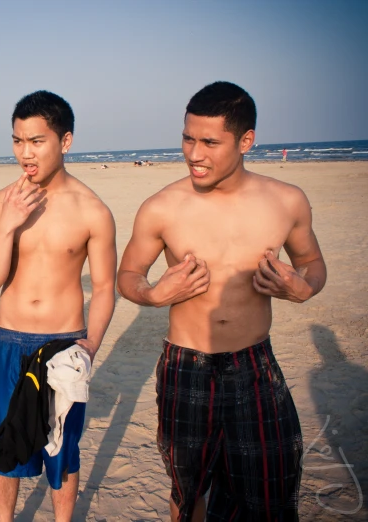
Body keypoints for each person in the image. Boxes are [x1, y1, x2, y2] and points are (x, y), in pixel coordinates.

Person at [117, 81, 326, 521]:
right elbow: (128, 276)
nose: (194, 154)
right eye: (188, 138)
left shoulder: (286, 201)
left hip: (255, 365)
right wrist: (153, 295)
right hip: (186, 367)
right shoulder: (162, 207)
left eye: (209, 142)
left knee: (271, 489)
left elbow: (311, 263)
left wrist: (302, 288)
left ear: (246, 140)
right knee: (188, 490)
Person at [0, 90, 116, 521]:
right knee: (6, 445)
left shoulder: (93, 210)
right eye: (18, 141)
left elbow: (107, 287)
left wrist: (90, 347)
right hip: (9, 341)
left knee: (63, 451)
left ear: (65, 141)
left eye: (36, 141)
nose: (25, 152)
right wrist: (9, 223)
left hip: (64, 346)